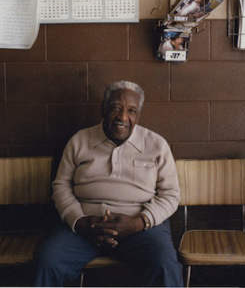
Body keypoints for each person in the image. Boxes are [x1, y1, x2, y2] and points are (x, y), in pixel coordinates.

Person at [35, 81, 183, 287]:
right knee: (48, 260)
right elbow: (61, 186)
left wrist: (138, 222)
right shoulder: (79, 140)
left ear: (138, 116)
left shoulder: (157, 144)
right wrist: (80, 222)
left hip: (141, 230)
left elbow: (170, 194)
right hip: (84, 228)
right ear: (103, 110)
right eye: (115, 108)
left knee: (164, 266)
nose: (123, 117)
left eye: (131, 111)